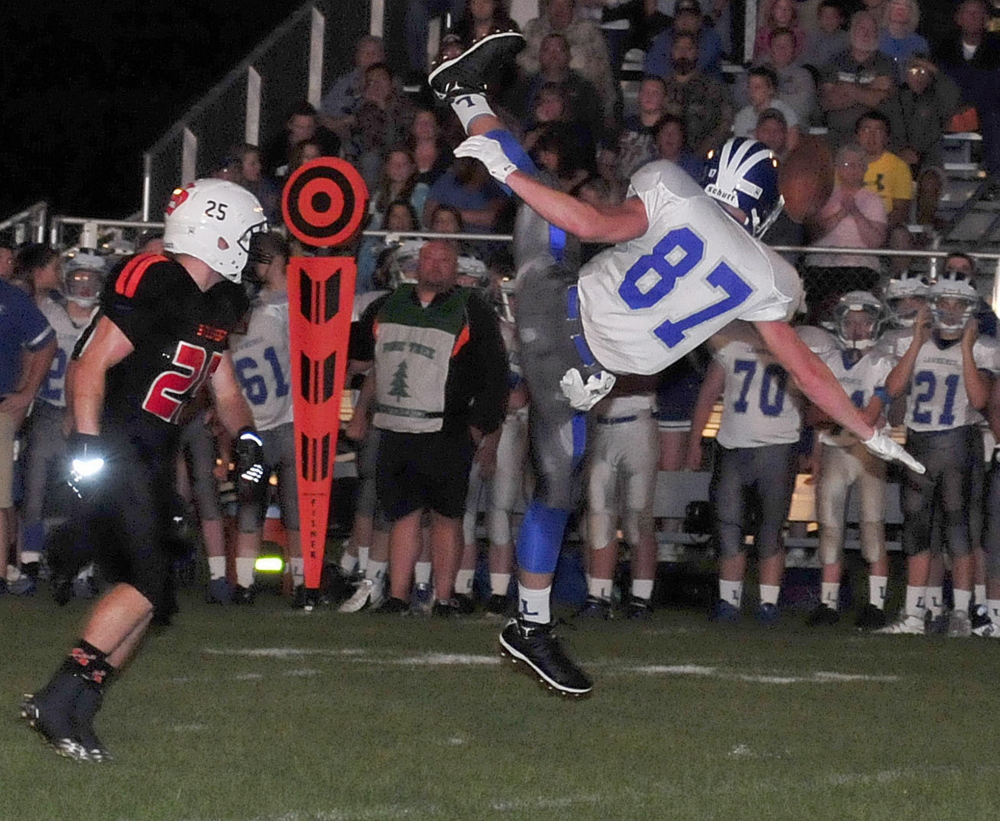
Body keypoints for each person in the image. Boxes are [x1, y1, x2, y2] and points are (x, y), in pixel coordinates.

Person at [428, 30, 922, 696]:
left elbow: (592, 225)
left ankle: (463, 98)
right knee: (554, 489)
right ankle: (530, 622)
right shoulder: (764, 275)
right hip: (582, 379)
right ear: (762, 209)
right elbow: (807, 372)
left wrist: (508, 172)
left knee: (542, 201)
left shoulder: (669, 186)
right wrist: (866, 430)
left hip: (552, 313)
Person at [21, 178, 268, 762]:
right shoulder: (155, 279)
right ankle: (59, 698)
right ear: (218, 229)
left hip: (157, 451)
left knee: (156, 595)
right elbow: (89, 366)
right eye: (247, 234)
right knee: (147, 582)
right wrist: (85, 447)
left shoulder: (222, 301)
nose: (253, 249)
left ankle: (77, 707)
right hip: (116, 444)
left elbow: (224, 387)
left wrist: (249, 436)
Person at [346, 240, 508, 615]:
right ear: (416, 265)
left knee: (447, 516)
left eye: (443, 260)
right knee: (402, 513)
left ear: (456, 268)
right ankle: (399, 596)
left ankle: (445, 597)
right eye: (428, 259)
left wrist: (479, 426)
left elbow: (495, 373)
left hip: (447, 429)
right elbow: (358, 355)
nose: (435, 266)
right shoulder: (386, 305)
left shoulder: (472, 310)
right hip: (395, 426)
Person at [877, 268, 1000, 636]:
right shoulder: (910, 341)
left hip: (958, 443)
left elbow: (980, 400)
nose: (948, 310)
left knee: (959, 531)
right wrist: (916, 342)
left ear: (969, 307)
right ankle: (914, 615)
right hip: (917, 444)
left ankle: (961, 613)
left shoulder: (983, 347)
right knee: (915, 531)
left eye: (957, 303)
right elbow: (893, 389)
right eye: (943, 302)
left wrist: (964, 347)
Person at [688, 321, 808, 626]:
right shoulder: (730, 344)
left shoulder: (796, 345)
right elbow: (708, 393)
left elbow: (812, 399)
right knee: (727, 525)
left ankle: (768, 603)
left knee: (771, 529)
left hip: (779, 448)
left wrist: (814, 446)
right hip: (734, 446)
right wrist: (695, 440)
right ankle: (729, 600)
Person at [802, 291, 894, 629]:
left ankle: (876, 604)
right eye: (851, 321)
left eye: (864, 321)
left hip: (868, 450)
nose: (856, 328)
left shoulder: (883, 362)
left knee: (872, 525)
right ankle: (827, 604)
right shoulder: (829, 361)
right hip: (833, 446)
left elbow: (889, 412)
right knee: (829, 525)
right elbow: (813, 414)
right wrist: (815, 449)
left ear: (876, 323)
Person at [14, 253, 105, 596]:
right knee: (35, 490)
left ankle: (82, 570)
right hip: (49, 410)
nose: (83, 285)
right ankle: (30, 562)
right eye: (78, 278)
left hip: (88, 417)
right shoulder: (48, 314)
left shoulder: (104, 321)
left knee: (86, 493)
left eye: (90, 279)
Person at [0, 275, 55, 593]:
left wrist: (26, 394)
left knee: (4, 497)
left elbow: (44, 345)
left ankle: (8, 567)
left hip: (6, 405)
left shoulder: (11, 298)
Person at [819, 11, 894, 146]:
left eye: (871, 30)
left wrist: (846, 88)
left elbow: (878, 101)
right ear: (852, 31)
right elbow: (830, 101)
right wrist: (871, 88)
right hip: (838, 136)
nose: (866, 34)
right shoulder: (834, 61)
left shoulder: (886, 63)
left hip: (876, 139)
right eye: (862, 28)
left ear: (877, 34)